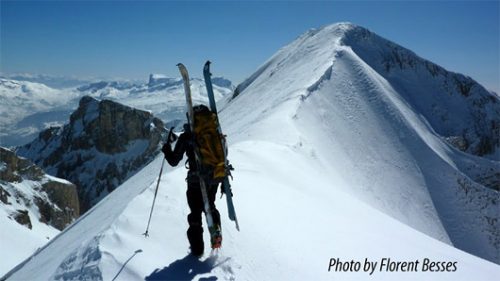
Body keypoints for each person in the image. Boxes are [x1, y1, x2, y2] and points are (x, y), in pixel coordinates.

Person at [162, 122, 221, 256]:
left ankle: (197, 250)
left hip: (195, 180)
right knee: (210, 206)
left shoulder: (186, 137)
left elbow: (174, 161)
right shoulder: (212, 131)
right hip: (213, 178)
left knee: (195, 212)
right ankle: (216, 231)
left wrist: (166, 150)